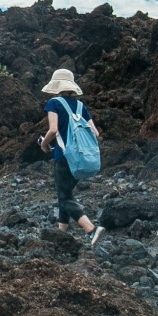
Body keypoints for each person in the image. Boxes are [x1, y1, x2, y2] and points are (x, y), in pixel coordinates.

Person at [37, 68, 105, 245]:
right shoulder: (81, 106)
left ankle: (91, 229)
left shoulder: (54, 103)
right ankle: (62, 234)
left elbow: (53, 130)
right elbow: (95, 133)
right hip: (81, 158)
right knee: (65, 195)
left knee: (64, 197)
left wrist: (44, 144)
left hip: (63, 156)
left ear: (56, 86)